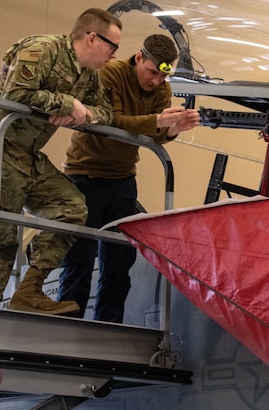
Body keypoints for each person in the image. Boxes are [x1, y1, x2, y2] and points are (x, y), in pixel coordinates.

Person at [0, 8, 121, 315]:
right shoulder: (43, 48)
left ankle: (29, 291)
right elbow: (16, 91)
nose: (114, 55)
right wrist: (66, 103)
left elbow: (106, 112)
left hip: (24, 153)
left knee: (72, 209)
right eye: (112, 46)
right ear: (91, 38)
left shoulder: (88, 76)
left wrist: (82, 112)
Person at [58, 33, 200, 322]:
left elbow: (156, 133)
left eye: (163, 76)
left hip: (122, 179)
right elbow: (113, 120)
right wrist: (160, 121)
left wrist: (175, 129)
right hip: (86, 174)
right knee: (80, 255)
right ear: (138, 57)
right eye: (151, 73)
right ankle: (67, 322)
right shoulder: (111, 74)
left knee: (120, 259)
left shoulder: (161, 87)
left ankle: (108, 324)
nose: (156, 82)